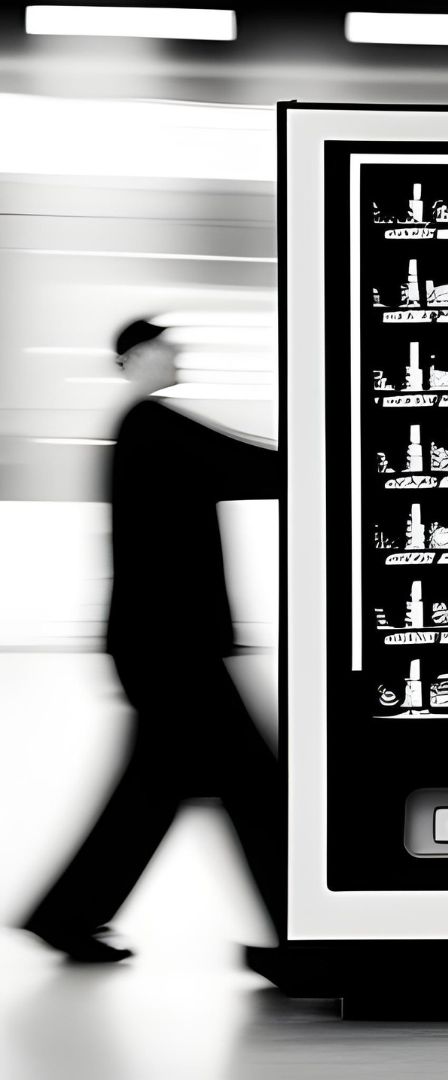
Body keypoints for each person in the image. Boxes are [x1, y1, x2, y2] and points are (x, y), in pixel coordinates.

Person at [21, 318, 283, 962]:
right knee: (254, 786)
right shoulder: (152, 424)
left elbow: (238, 463)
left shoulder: (145, 428)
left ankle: (67, 917)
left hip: (161, 644)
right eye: (165, 345)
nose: (177, 352)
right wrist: (330, 452)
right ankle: (297, 937)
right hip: (175, 648)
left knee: (153, 793)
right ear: (136, 356)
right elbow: (245, 464)